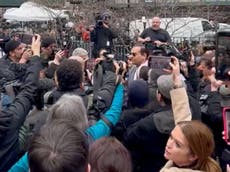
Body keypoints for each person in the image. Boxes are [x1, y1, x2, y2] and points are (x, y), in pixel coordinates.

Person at [0, 34, 42, 171]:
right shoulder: (2, 63)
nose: (23, 51)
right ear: (11, 52)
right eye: (20, 49)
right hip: (10, 99)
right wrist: (24, 61)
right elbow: (11, 77)